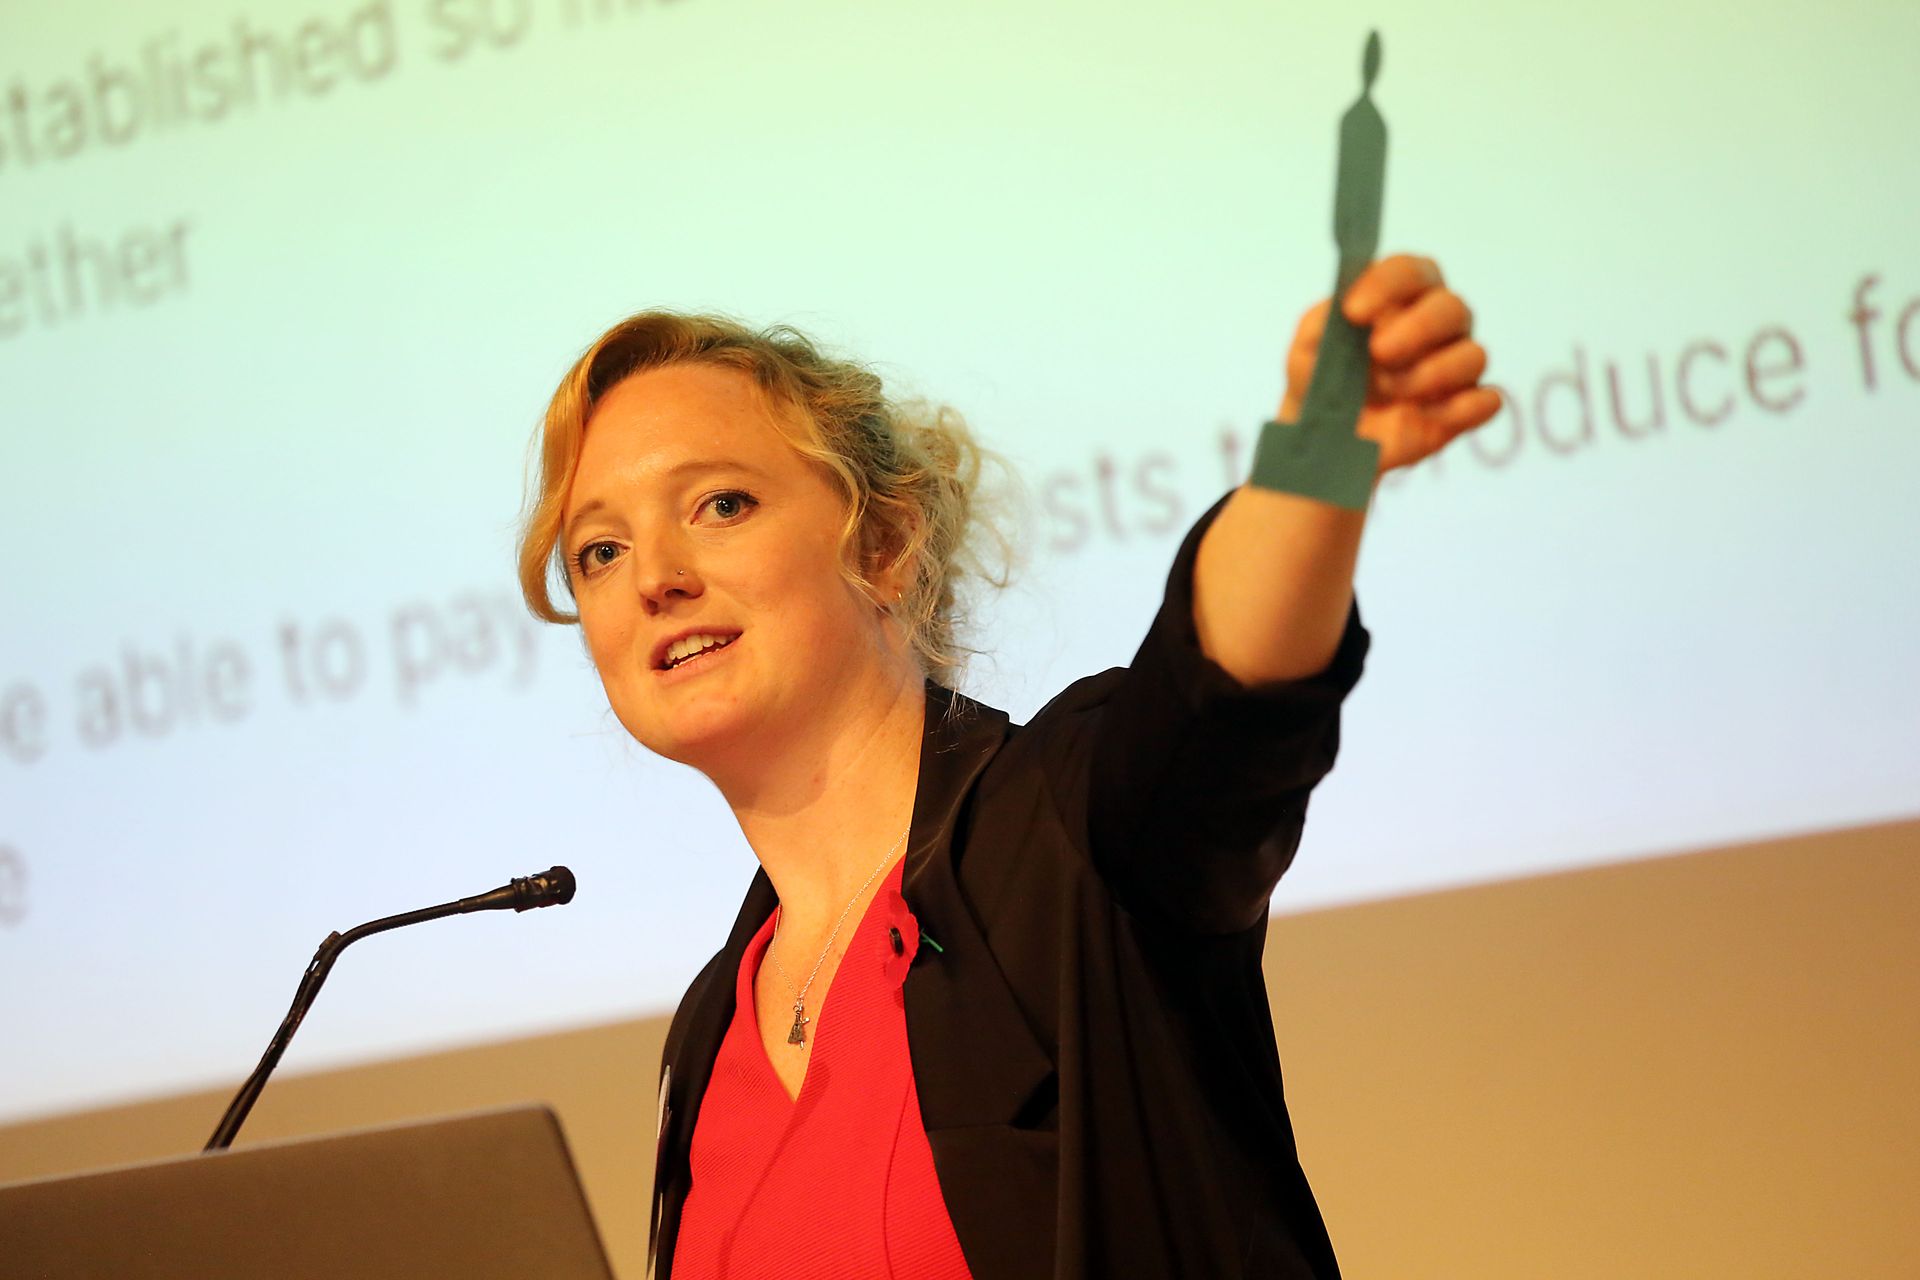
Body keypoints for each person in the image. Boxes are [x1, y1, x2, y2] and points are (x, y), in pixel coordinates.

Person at [516, 255, 1497, 1279]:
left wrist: (1312, 468)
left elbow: (1215, 707)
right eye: (599, 551)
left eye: (720, 504)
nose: (657, 580)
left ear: (886, 541)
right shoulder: (708, 1034)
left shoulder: (1063, 834)